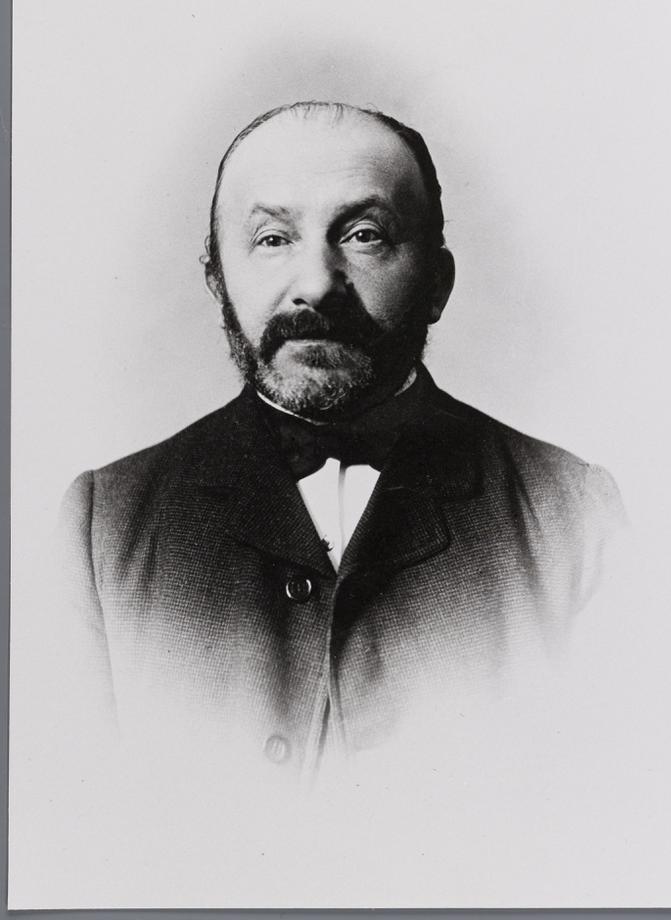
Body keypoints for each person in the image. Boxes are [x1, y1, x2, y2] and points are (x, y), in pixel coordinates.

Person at [59, 100, 624, 777]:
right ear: (217, 280)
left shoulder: (575, 518)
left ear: (436, 284)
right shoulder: (102, 527)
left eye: (363, 235)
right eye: (273, 239)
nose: (317, 286)